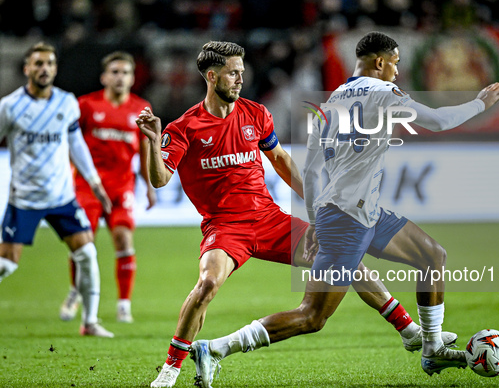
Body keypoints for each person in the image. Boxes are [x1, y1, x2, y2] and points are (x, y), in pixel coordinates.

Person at [136, 41, 457, 388]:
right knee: (208, 284)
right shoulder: (184, 127)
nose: (240, 78)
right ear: (212, 77)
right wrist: (153, 143)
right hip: (226, 228)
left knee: (346, 261)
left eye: (242, 71)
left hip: (270, 219)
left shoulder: (256, 114)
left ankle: (409, 330)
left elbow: (283, 163)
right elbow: (159, 178)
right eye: (233, 73)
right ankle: (171, 369)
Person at [0, 42, 114, 338]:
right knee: (6, 265)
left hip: (62, 198)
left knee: (87, 253)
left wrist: (95, 184)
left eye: (49, 63)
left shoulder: (66, 102)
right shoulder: (10, 107)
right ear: (27, 69)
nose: (44, 69)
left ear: (55, 68)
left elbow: (77, 144)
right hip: (23, 199)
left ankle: (89, 322)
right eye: (38, 64)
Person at [59, 51, 156, 324]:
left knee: (124, 240)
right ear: (104, 77)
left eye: (125, 72)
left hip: (121, 186)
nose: (119, 77)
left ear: (133, 78)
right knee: (82, 244)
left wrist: (149, 187)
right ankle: (75, 291)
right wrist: (66, 175)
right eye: (114, 71)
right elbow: (69, 142)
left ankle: (123, 304)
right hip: (87, 187)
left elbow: (145, 151)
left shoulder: (141, 109)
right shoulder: (86, 105)